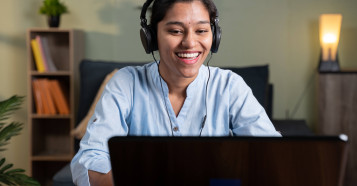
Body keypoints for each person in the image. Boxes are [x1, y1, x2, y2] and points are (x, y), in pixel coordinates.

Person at [71, 0, 281, 185]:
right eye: (175, 31)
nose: (190, 42)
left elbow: (273, 155)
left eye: (201, 31)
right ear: (151, 37)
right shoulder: (126, 83)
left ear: (214, 36)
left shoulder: (230, 86)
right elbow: (89, 159)